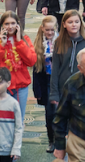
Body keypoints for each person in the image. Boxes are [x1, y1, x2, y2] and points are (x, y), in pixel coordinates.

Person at [0, 11, 38, 124]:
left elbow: (31, 61)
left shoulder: (25, 39)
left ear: (18, 24)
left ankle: (16, 142)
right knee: (1, 120)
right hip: (2, 86)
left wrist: (19, 42)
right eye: (7, 24)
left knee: (18, 120)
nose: (10, 27)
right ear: (2, 26)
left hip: (20, 87)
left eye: (13, 23)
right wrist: (1, 45)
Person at [50, 9, 85, 113]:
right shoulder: (59, 42)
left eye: (77, 22)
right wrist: (54, 93)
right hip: (65, 87)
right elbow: (55, 69)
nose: (74, 25)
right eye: (70, 22)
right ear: (64, 24)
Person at [32, 16, 59, 153]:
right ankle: (51, 140)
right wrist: (37, 91)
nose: (50, 33)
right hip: (46, 81)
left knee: (62, 111)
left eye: (52, 30)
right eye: (47, 30)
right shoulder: (38, 44)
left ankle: (62, 139)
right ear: (43, 29)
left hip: (59, 81)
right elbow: (36, 70)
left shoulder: (60, 42)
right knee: (50, 113)